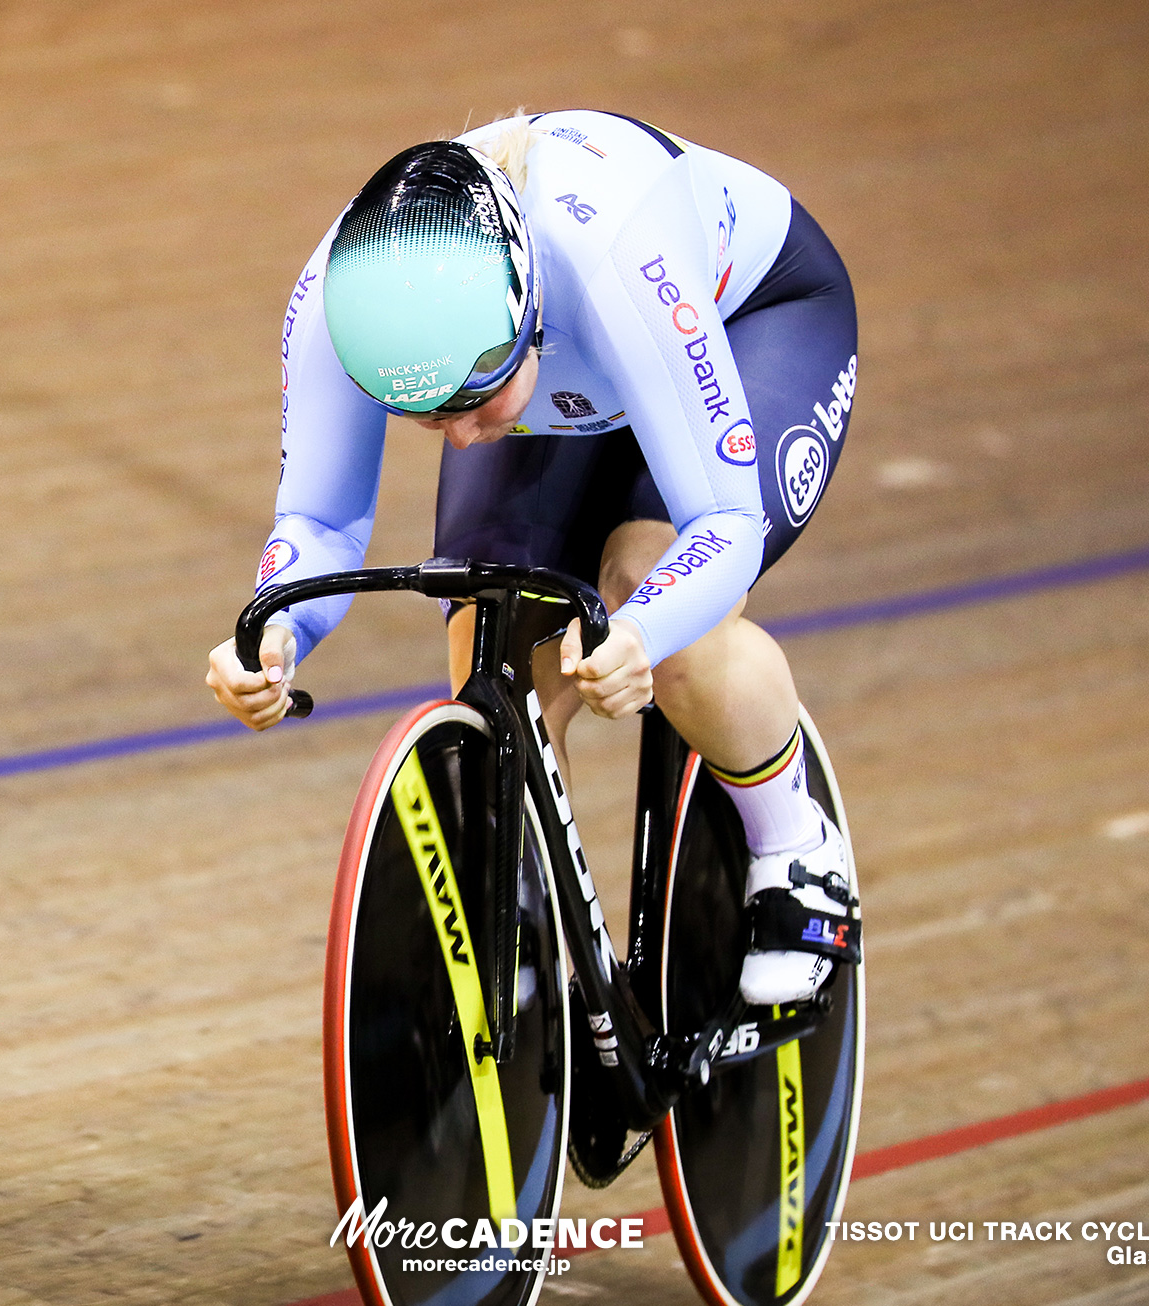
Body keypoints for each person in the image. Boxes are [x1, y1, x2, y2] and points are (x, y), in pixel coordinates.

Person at [205, 110, 860, 1005]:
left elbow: (725, 524)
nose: (463, 440)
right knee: (493, 636)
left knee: (647, 587)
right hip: (573, 374)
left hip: (749, 325)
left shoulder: (612, 257)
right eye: (430, 418)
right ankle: (521, 918)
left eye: (474, 402)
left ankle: (797, 853)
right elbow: (318, 519)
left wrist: (642, 630)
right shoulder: (340, 298)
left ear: (528, 316)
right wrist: (274, 634)